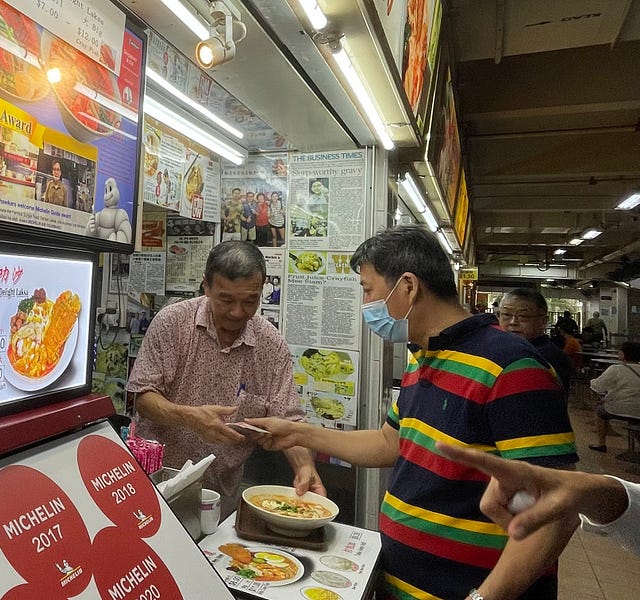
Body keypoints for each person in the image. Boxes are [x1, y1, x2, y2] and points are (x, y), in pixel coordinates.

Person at [247, 225, 578, 600]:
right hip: (405, 582)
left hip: (468, 590)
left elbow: (556, 509)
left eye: (368, 290)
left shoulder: (512, 366)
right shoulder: (424, 357)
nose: (365, 305)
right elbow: (391, 442)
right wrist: (299, 434)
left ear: (408, 286)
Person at [126, 240, 324, 513]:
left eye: (250, 301)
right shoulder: (172, 323)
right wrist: (190, 417)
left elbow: (288, 418)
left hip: (222, 494)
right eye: (226, 300)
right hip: (158, 483)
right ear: (206, 286)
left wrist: (304, 466)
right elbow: (143, 397)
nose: (237, 312)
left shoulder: (270, 344)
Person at [435, 443, 639, 556]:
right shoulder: (416, 374)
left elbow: (555, 521)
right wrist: (592, 491)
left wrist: (481, 596)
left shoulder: (517, 372)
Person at [499, 288, 575, 397]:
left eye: (523, 316)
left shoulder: (545, 356)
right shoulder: (508, 349)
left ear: (543, 321)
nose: (513, 322)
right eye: (506, 314)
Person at [588, 341, 640, 452]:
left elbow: (597, 386)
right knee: (635, 418)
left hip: (619, 408)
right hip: (638, 409)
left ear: (623, 354)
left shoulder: (615, 369)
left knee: (600, 411)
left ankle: (601, 444)